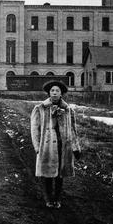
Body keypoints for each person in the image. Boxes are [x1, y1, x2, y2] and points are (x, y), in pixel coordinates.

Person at [30, 80, 81, 209]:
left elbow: (73, 129)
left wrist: (76, 148)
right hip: (47, 146)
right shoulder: (40, 108)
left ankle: (57, 199)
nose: (54, 93)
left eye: (57, 91)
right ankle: (48, 199)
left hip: (62, 145)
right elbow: (35, 129)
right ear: (49, 93)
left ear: (61, 93)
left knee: (60, 175)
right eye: (52, 91)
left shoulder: (68, 110)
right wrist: (37, 147)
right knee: (47, 174)